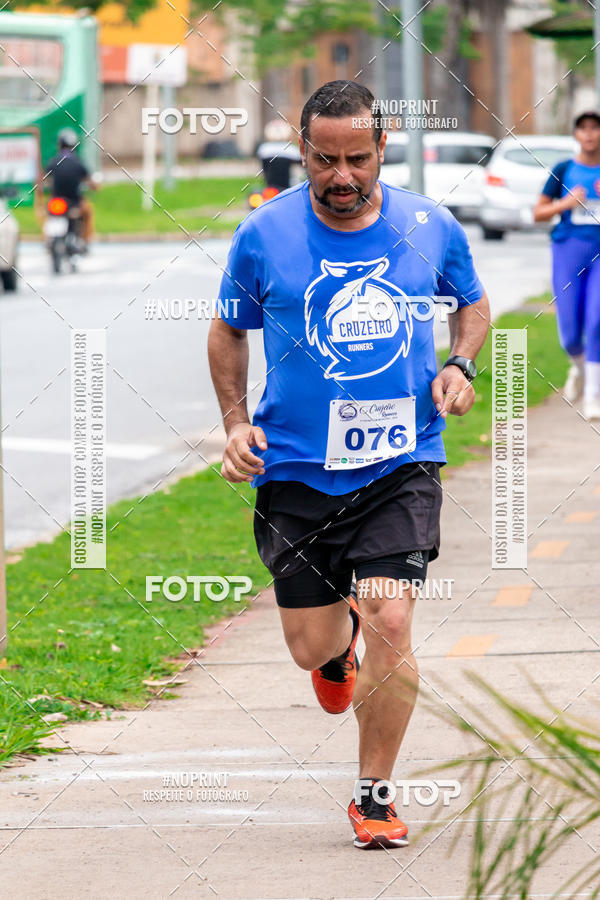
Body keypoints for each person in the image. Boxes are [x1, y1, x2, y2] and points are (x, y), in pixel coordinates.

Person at [208, 80, 490, 850]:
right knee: (311, 644)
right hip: (297, 470)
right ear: (302, 151)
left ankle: (374, 795)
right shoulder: (263, 234)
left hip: (402, 462)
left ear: (382, 150)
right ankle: (336, 658)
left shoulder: (428, 225)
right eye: (325, 160)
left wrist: (461, 364)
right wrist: (234, 424)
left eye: (357, 159)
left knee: (390, 616)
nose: (342, 176)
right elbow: (228, 329)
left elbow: (470, 303)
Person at [534, 111, 600, 421]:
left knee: (596, 322)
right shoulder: (563, 169)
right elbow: (538, 213)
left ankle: (593, 396)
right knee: (570, 334)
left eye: (595, 128)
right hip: (568, 252)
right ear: (575, 135)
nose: (589, 134)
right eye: (583, 128)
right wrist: (566, 203)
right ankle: (579, 367)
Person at [45, 128, 98, 248]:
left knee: (47, 214)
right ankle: (85, 240)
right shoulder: (78, 163)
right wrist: (94, 187)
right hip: (74, 203)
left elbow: (43, 180)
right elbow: (91, 182)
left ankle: (46, 239)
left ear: (59, 145)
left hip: (56, 201)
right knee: (88, 211)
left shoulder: (53, 162)